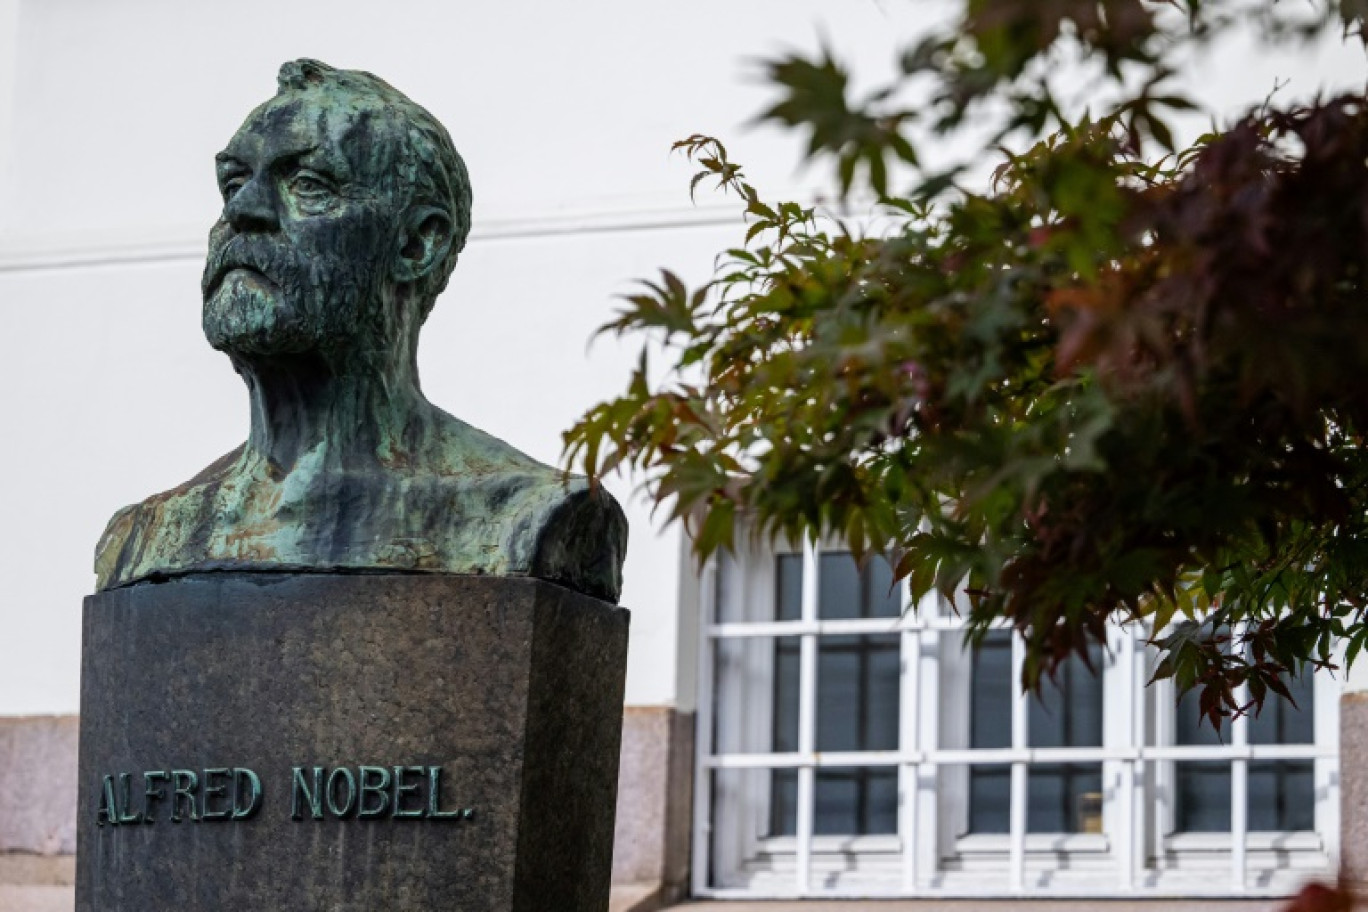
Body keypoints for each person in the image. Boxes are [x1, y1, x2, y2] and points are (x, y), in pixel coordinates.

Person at [94, 59, 627, 603]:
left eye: (307, 184)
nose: (243, 210)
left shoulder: (524, 517)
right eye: (234, 182)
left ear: (417, 244)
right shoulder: (146, 535)